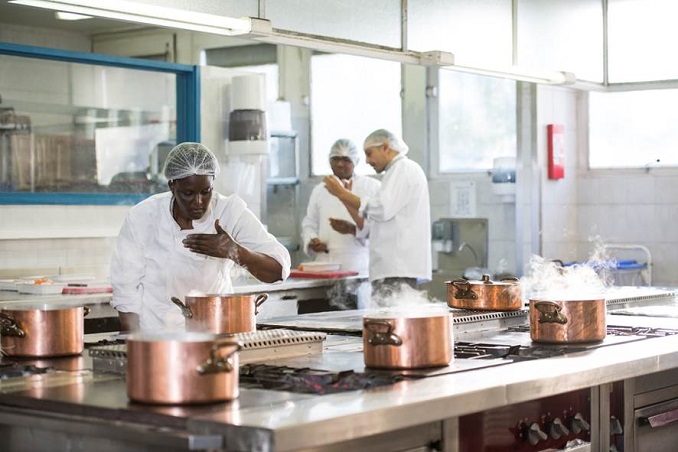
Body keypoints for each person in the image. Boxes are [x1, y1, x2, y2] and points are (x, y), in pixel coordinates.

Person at [110, 142, 291, 332]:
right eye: (188, 193)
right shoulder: (143, 217)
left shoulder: (229, 211)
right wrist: (134, 341)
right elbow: (125, 289)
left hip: (217, 332)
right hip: (157, 335)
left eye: (206, 192)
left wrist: (236, 252)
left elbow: (278, 270)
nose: (198, 202)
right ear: (172, 185)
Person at [322, 129, 432, 299]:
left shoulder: (403, 168)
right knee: (389, 314)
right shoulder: (398, 171)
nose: (367, 161)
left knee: (392, 315)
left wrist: (342, 193)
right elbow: (376, 219)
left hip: (397, 268)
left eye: (369, 153)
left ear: (385, 147)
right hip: (392, 268)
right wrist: (345, 197)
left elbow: (381, 209)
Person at [301, 139, 381, 308]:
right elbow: (309, 223)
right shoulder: (320, 190)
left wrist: (352, 229)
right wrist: (312, 240)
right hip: (325, 267)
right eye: (335, 159)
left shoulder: (371, 187)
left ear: (355, 162)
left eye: (346, 160)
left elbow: (379, 228)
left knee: (353, 314)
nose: (339, 164)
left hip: (357, 265)